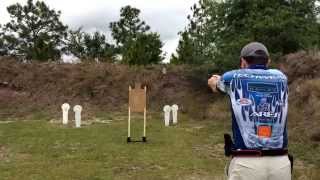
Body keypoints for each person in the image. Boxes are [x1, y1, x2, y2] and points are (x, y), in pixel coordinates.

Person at [208, 42, 291, 180]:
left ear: (243, 61)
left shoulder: (233, 78)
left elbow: (214, 84)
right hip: (281, 162)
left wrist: (216, 80)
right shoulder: (281, 77)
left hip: (247, 163)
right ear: (268, 61)